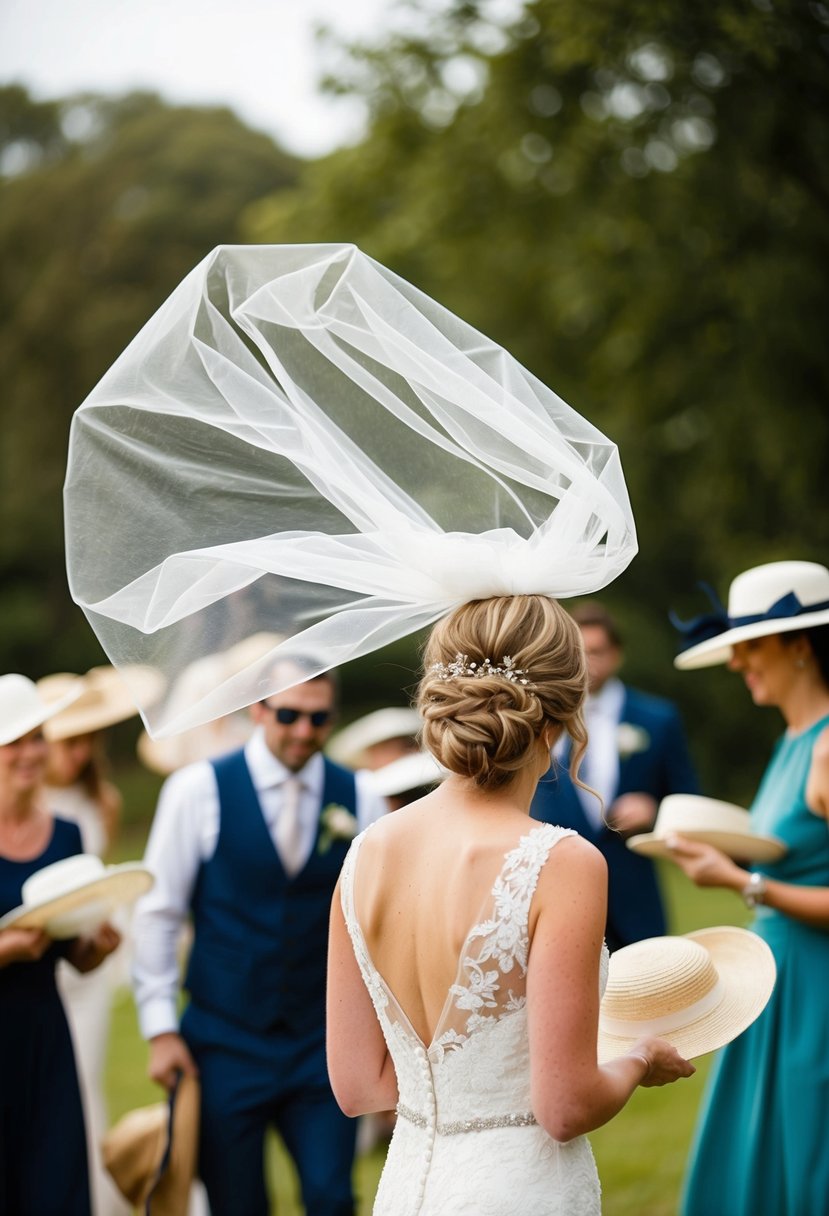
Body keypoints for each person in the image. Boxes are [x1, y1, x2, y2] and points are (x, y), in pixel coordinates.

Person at [327, 595, 695, 1215]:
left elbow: (360, 1086)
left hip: (408, 1186)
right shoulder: (563, 862)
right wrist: (638, 1059)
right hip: (520, 1190)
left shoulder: (366, 852)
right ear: (565, 714)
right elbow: (565, 1107)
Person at [131, 658, 388, 1216]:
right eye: (289, 715)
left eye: (318, 720)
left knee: (331, 1195)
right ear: (257, 710)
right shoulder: (196, 790)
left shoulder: (360, 796)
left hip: (320, 1040)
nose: (303, 731)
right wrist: (159, 1028)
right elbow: (159, 912)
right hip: (224, 1040)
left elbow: (372, 920)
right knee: (235, 1202)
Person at [663, 559, 829, 1216]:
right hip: (779, 980)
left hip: (817, 991)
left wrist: (738, 881)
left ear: (799, 643)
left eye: (749, 645)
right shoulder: (792, 739)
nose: (736, 663)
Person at [0, 674, 122, 1216]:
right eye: (15, 741)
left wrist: (98, 945)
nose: (30, 753)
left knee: (57, 1186)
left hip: (45, 1037)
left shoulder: (69, 834)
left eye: (37, 737)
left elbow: (76, 956)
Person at [531, 601, 699, 950]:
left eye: (596, 652)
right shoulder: (536, 719)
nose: (586, 663)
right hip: (556, 893)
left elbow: (688, 800)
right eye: (577, 652)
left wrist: (655, 811)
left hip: (634, 897)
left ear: (617, 654)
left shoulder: (657, 720)